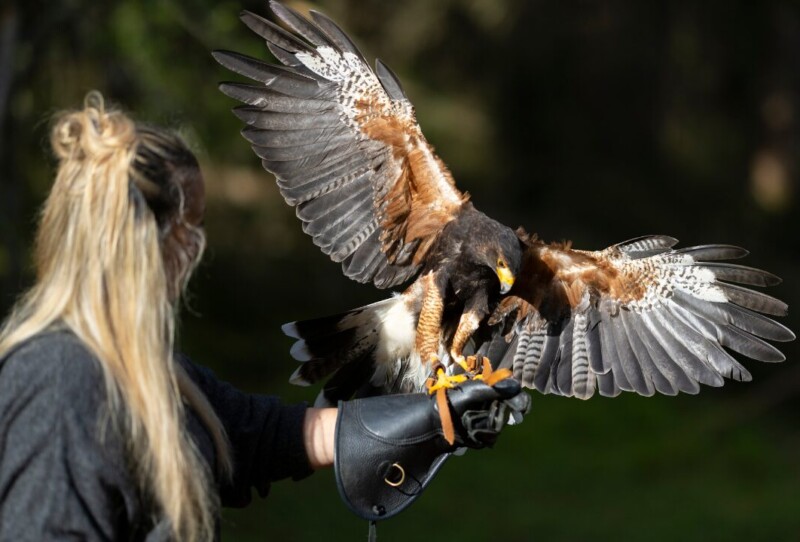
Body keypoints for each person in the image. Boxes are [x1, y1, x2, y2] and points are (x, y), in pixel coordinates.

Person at [0, 93, 527, 541]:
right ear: (143, 237)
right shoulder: (60, 380)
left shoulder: (152, 372)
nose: (199, 246)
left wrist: (431, 419)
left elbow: (257, 438)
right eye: (192, 226)